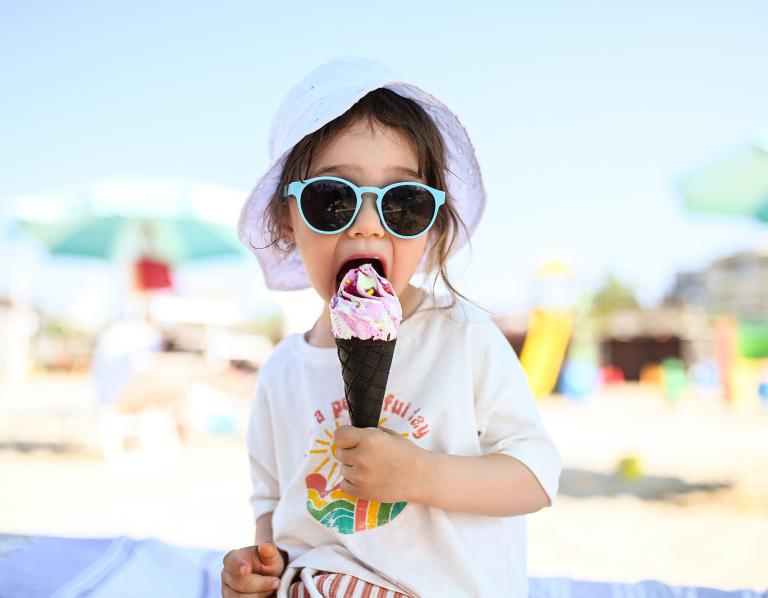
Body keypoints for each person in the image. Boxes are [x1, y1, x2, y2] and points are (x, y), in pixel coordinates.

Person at [221, 57, 561, 598]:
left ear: (431, 227)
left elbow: (536, 476)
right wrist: (258, 568)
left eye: (402, 204)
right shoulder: (282, 374)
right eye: (332, 200)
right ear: (287, 219)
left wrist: (423, 477)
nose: (367, 224)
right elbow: (271, 513)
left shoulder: (461, 337)